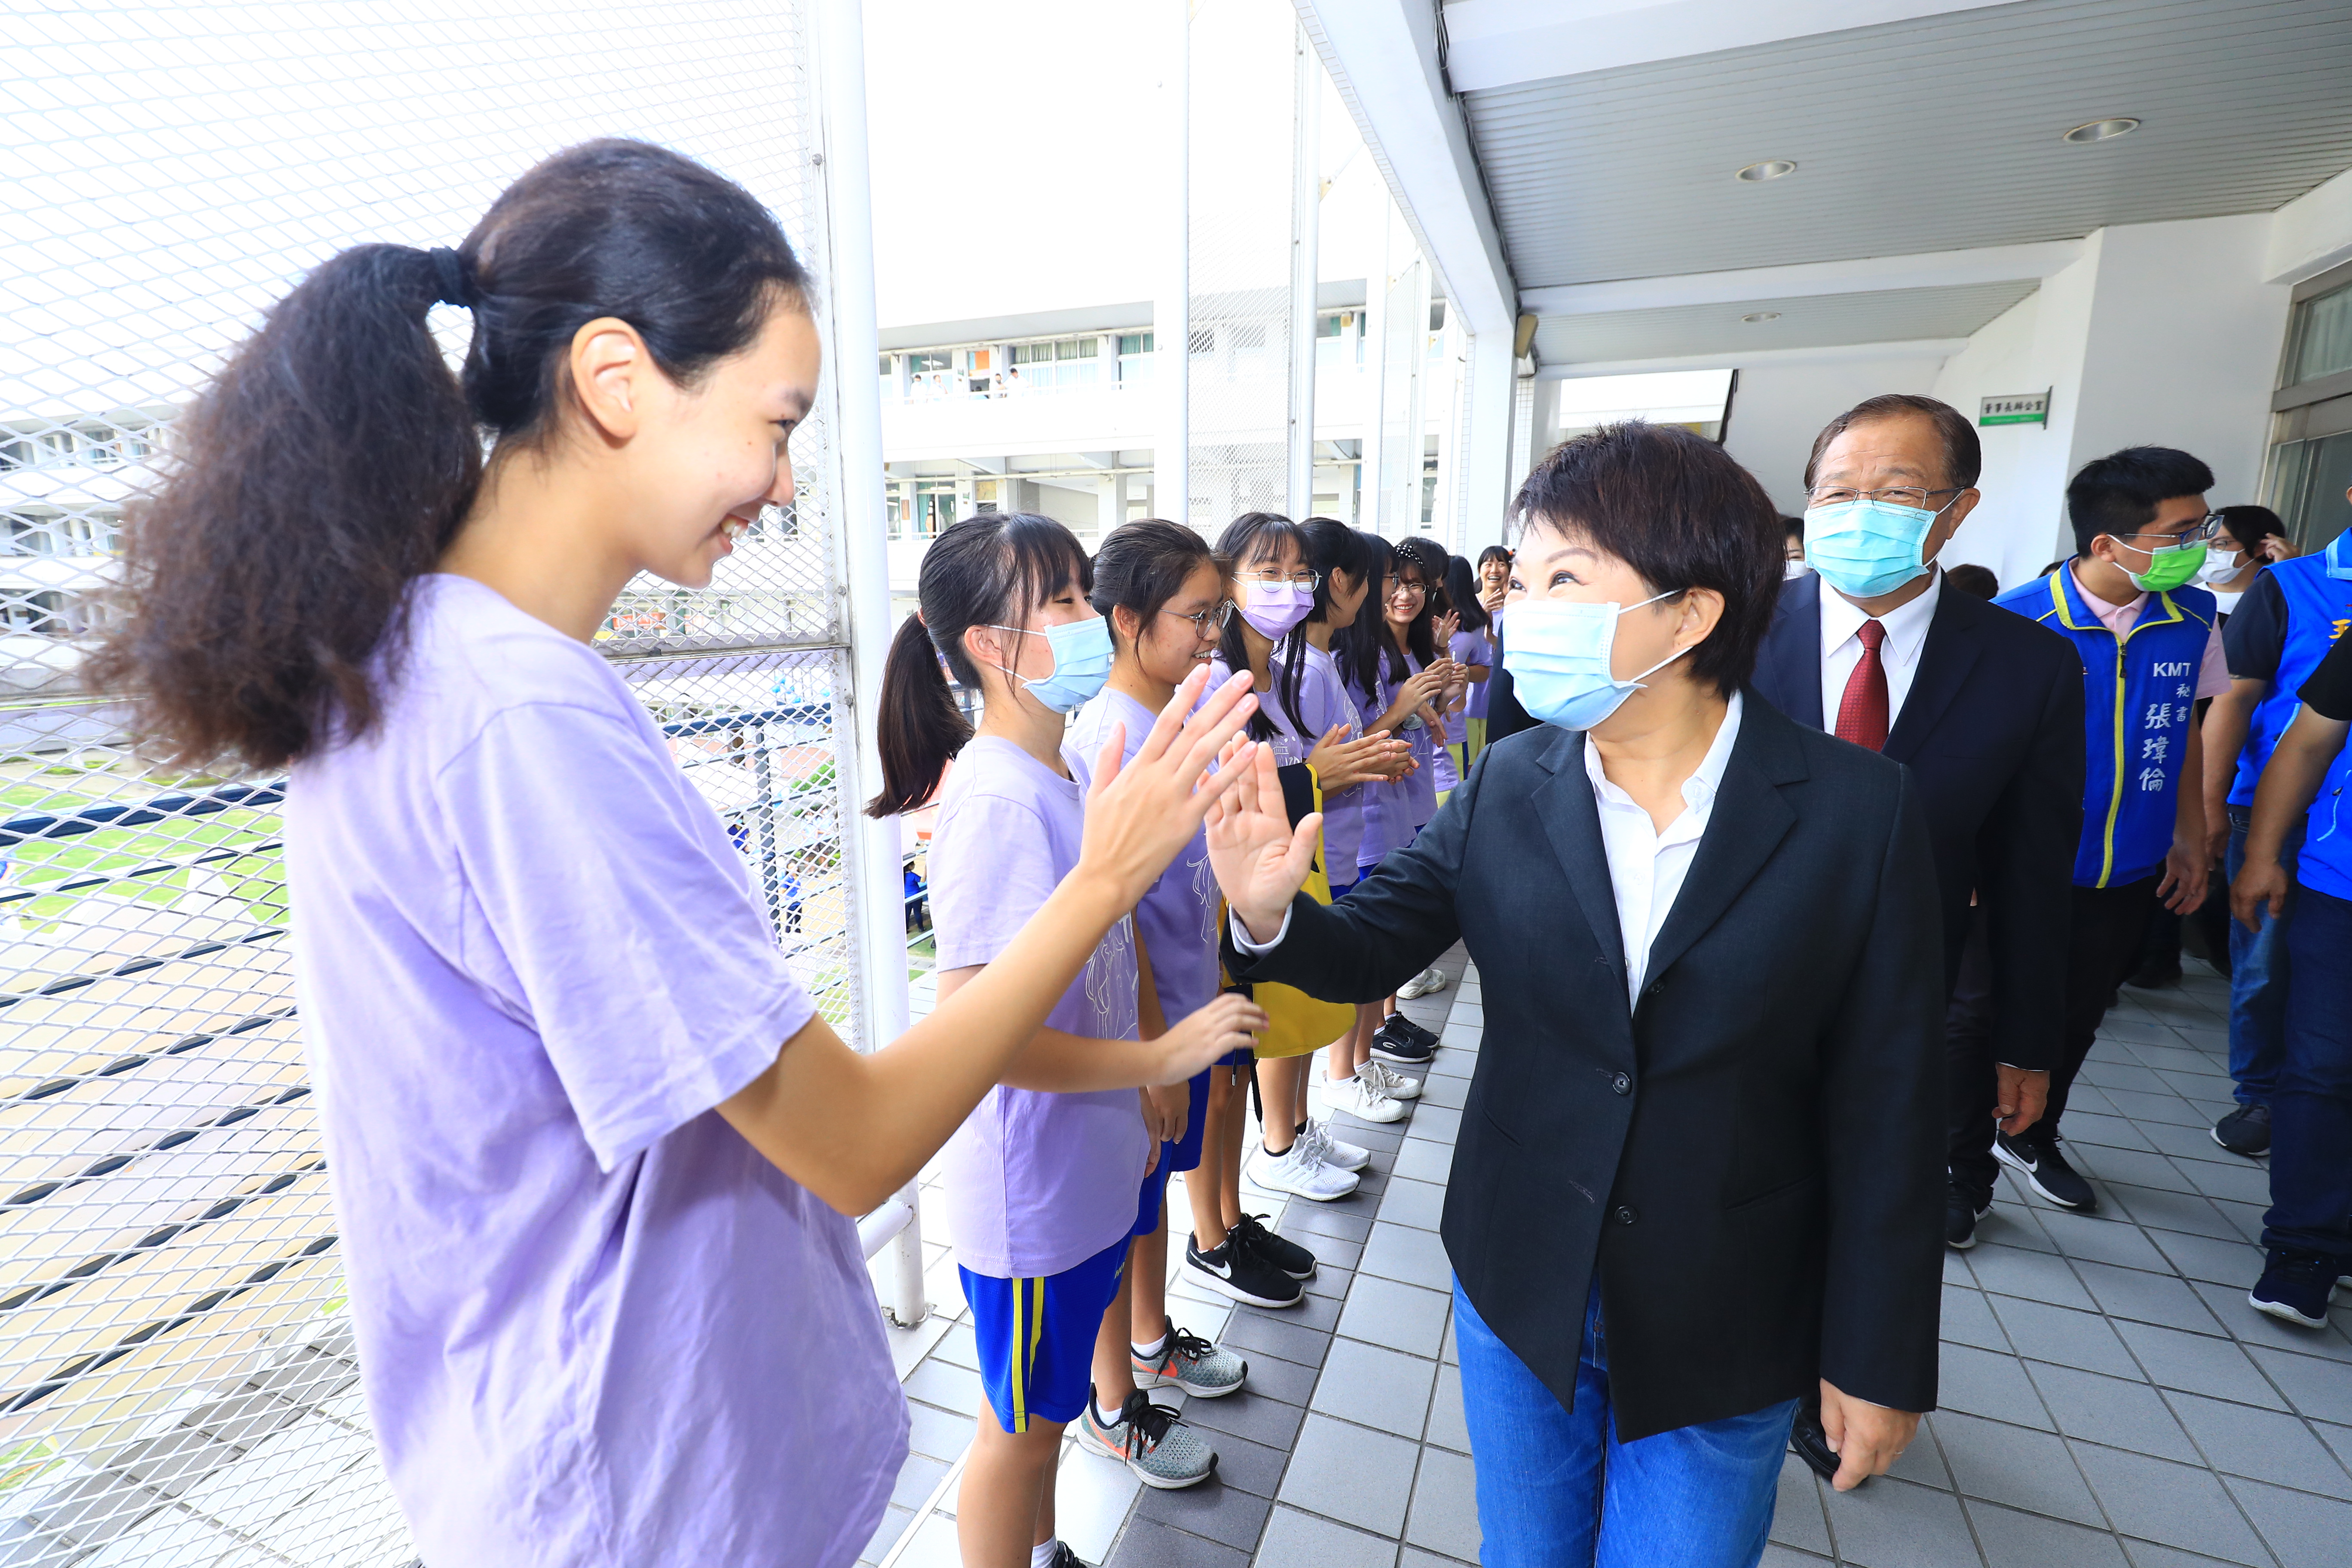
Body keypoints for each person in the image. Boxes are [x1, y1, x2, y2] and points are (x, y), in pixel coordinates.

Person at [87, 141, 1266, 1568]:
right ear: (615, 379)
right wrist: (1104, 880)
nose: (780, 482)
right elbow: (854, 1143)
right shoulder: (518, 717)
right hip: (630, 1487)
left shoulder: (428, 663)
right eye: (775, 423)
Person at [1210, 422, 1943, 1566]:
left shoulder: (1859, 812)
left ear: (1690, 614)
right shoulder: (1513, 779)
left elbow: (1892, 1099)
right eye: (1525, 576)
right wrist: (1268, 914)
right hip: (1520, 1272)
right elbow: (1369, 948)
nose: (1521, 611)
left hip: (1725, 1302)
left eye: (1565, 580)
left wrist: (1878, 1353)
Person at [874, 512, 1274, 1562]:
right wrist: (1154, 1061)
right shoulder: (997, 802)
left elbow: (1113, 936)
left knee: (1046, 1421)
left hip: (1086, 1161)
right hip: (1033, 1195)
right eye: (1057, 600)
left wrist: (1141, 1076)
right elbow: (988, 1041)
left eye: (1079, 593)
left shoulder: (1059, 775)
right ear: (986, 644)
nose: (1087, 617)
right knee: (1015, 1436)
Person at [1749, 394, 2081, 1265]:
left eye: (1896, 493)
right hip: (1722, 993)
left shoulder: (2028, 665)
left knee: (1862, 1220)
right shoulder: (1729, 632)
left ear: (1958, 509)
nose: (1859, 513)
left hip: (1905, 1006)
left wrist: (2025, 1043)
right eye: (1835, 493)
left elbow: (2032, 871)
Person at [1990, 446, 2227, 1212]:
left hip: (2126, 865)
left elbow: (2183, 731)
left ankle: (2034, 1134)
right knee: (1982, 1015)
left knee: (2080, 1013)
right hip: (2020, 868)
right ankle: (1959, 1158)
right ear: (2108, 544)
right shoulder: (2015, 620)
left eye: (2204, 527)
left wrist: (2191, 835)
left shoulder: (2194, 616)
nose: (2200, 546)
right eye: (2182, 533)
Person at [1067, 520, 1253, 1478]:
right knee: (1119, 1218)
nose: (1213, 633)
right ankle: (1111, 1404)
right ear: (1128, 620)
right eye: (1196, 615)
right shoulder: (1107, 741)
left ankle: (1151, 1342)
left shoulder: (1176, 715)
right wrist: (1153, 1059)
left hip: (1183, 1010)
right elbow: (1118, 917)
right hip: (1144, 1035)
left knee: (1147, 1209)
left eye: (1218, 613)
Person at [1213, 513, 1409, 1204]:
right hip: (1250, 889)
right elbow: (1228, 791)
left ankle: (1296, 1133)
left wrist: (1333, 770)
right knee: (1275, 1023)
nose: (1291, 589)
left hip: (1297, 869)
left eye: (1300, 574)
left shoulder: (1279, 672)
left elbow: (1299, 770)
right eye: (1270, 573)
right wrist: (1316, 775)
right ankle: (1278, 1148)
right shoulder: (1219, 680)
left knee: (1300, 1010)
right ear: (1227, 581)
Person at [2197, 500, 2348, 1157]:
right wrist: (2210, 804)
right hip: (2276, 813)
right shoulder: (2291, 585)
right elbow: (2234, 700)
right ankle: (2260, 1094)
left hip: (2342, 826)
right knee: (2265, 963)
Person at [2229, 629, 2352, 1326]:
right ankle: (2302, 1247)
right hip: (2343, 886)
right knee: (2322, 1066)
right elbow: (2307, 743)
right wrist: (2261, 855)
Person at [1444, 552, 1497, 769]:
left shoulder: (1473, 624)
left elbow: (1484, 670)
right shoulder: (1418, 618)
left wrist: (1461, 670)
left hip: (1456, 719)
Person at [2200, 503, 2298, 617]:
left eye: (2220, 544)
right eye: (2203, 544)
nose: (2208, 551)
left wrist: (2289, 573)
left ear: (2260, 547)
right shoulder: (2186, 598)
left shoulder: (2279, 605)